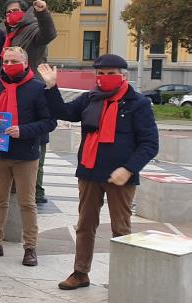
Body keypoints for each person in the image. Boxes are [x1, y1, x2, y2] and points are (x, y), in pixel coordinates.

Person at [38, 58, 158, 290]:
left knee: (121, 229)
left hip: (120, 177)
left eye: (110, 72)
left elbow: (149, 144)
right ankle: (80, 273)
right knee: (85, 225)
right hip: (90, 171)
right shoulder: (90, 98)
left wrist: (129, 169)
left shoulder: (138, 103)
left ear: (122, 75)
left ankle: (124, 278)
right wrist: (52, 87)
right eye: (100, 73)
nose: (104, 77)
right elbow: (63, 111)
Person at [0, 47, 56, 265]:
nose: (9, 65)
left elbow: (49, 122)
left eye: (14, 61)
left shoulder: (36, 88)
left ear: (26, 63)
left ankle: (30, 247)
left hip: (25, 155)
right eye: (6, 61)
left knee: (27, 203)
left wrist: (23, 130)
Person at [3, 0, 58, 205]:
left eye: (16, 10)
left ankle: (36, 189)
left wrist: (43, 13)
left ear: (24, 12)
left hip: (32, 88)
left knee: (37, 143)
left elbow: (48, 34)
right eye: (8, 12)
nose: (12, 14)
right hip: (10, 89)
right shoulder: (10, 33)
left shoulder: (32, 28)